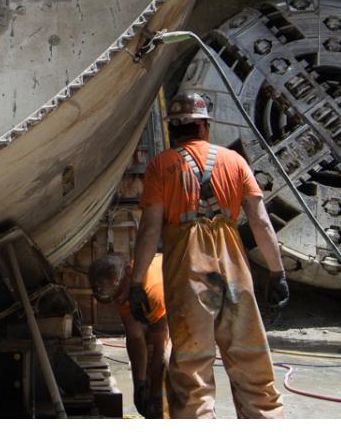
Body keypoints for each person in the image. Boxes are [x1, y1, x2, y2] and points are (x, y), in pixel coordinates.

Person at [129, 92, 289, 419]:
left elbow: (149, 230)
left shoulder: (162, 166)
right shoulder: (235, 161)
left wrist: (136, 280)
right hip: (233, 262)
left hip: (189, 264)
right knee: (250, 357)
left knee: (192, 366)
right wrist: (277, 272)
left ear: (173, 130)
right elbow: (260, 221)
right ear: (205, 125)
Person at [89, 253, 168, 417]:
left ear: (129, 274)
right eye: (113, 300)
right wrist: (139, 384)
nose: (117, 303)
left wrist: (154, 395)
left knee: (171, 369)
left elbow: (162, 345)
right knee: (147, 375)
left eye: (118, 297)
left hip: (183, 314)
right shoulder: (121, 289)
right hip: (152, 308)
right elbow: (135, 337)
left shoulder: (153, 289)